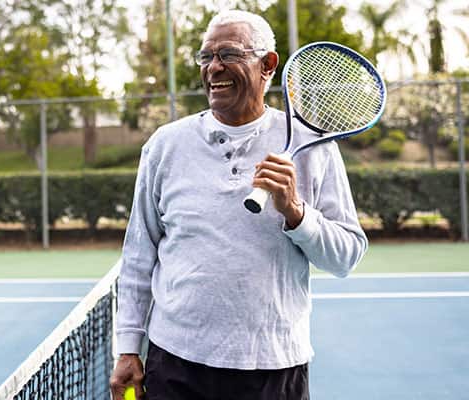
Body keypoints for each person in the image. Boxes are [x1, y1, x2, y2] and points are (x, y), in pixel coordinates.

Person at [109, 9, 368, 400]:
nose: (214, 67)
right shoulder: (165, 145)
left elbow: (347, 255)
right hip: (176, 363)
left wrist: (295, 212)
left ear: (267, 65)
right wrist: (128, 348)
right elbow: (139, 254)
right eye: (205, 56)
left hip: (274, 367)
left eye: (228, 54)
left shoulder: (314, 148)